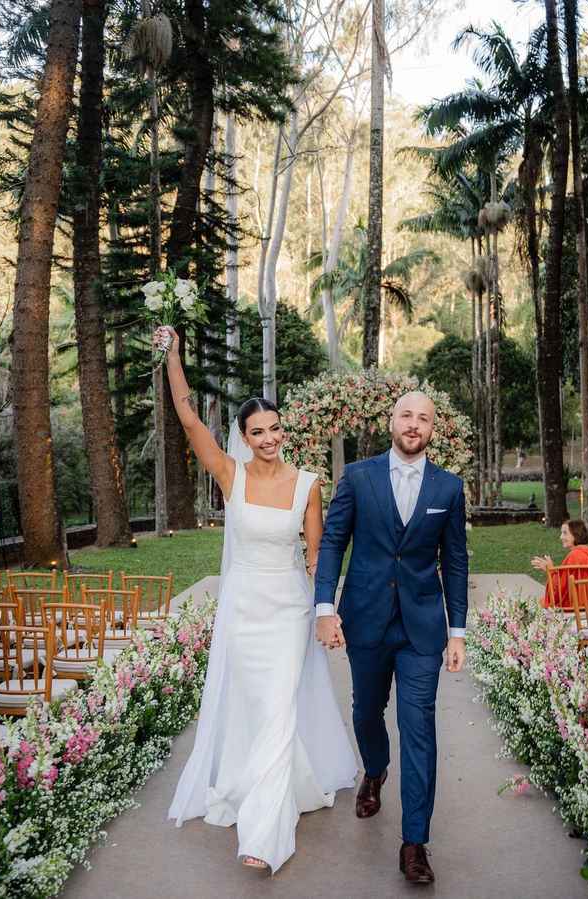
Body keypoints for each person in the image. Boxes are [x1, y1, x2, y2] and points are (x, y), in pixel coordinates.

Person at [156, 327, 357, 874]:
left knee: (278, 708)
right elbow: (189, 418)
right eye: (257, 431)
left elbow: (317, 558)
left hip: (289, 610)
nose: (268, 438)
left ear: (282, 429)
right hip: (243, 610)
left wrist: (326, 611)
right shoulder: (230, 475)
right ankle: (267, 784)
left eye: (274, 428)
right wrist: (174, 357)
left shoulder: (308, 484)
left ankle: (266, 834)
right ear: (244, 437)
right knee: (255, 707)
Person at [314, 391, 468, 887]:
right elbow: (334, 540)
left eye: (424, 418)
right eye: (407, 415)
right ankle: (374, 770)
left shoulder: (449, 487)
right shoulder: (358, 477)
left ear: (432, 429)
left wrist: (457, 631)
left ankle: (414, 842)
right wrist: (324, 608)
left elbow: (457, 561)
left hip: (422, 627)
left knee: (419, 725)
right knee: (365, 711)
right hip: (367, 619)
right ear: (391, 421)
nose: (414, 424)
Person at [531, 519, 588, 609]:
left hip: (571, 605)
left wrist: (550, 570)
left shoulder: (574, 556)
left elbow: (560, 590)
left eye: (565, 533)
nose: (561, 537)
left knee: (535, 604)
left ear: (576, 534)